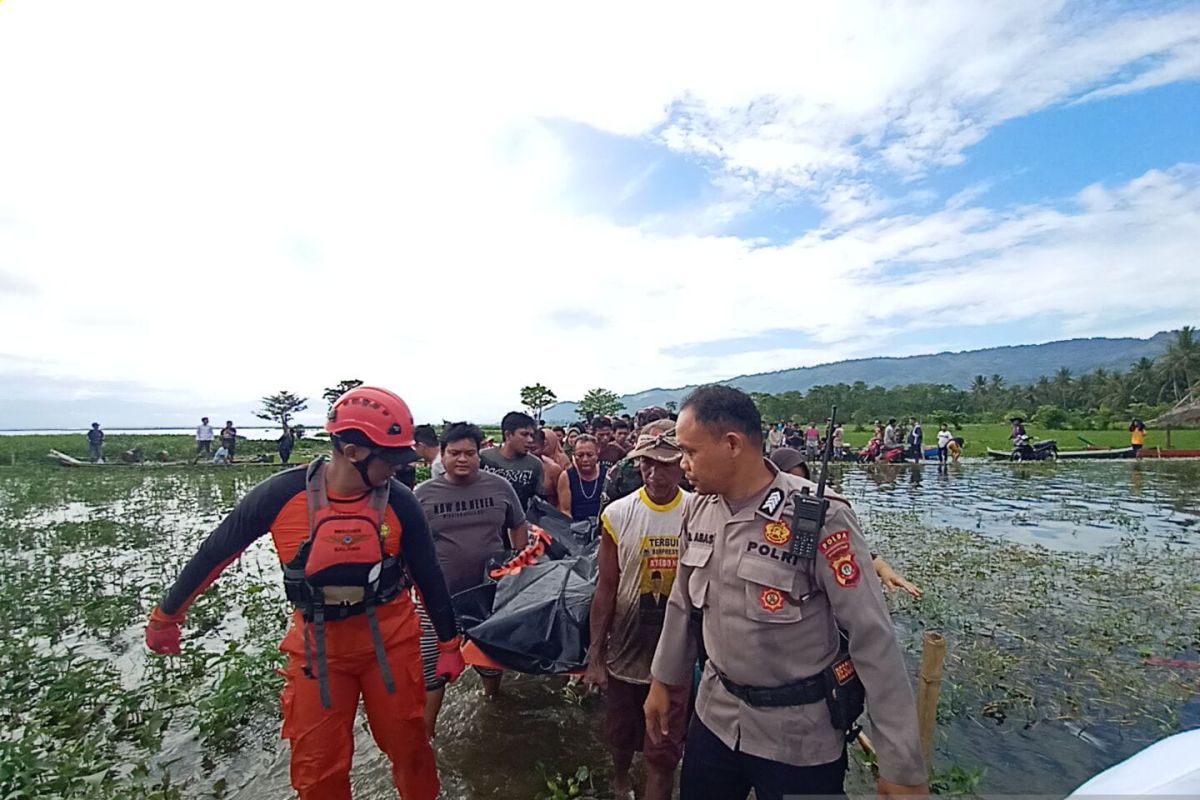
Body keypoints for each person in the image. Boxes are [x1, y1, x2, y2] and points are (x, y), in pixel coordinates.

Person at [144, 386, 464, 800]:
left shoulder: (400, 501)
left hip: (391, 642)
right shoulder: (280, 495)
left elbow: (428, 574)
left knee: (410, 748)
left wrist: (448, 642)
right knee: (318, 768)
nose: (401, 469)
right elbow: (215, 554)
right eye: (390, 459)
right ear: (352, 451)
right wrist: (167, 616)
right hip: (318, 650)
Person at [645, 385, 927, 800]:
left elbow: (873, 638)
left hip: (799, 738)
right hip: (716, 717)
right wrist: (662, 681)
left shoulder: (818, 517)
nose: (682, 465)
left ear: (732, 444)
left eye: (690, 451)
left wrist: (900, 765)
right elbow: (682, 605)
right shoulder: (698, 509)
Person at [586, 429, 691, 800]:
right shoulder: (618, 514)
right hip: (626, 648)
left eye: (664, 464)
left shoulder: (696, 512)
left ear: (681, 466)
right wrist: (595, 656)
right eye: (647, 464)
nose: (654, 474)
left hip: (675, 651)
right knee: (619, 734)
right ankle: (620, 779)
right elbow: (606, 588)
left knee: (663, 750)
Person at [414, 421, 528, 731]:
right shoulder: (423, 494)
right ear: (442, 455)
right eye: (454, 453)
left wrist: (516, 559)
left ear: (480, 454)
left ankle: (492, 702)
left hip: (487, 594)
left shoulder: (499, 487)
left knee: (489, 661)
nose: (462, 459)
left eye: (469, 453)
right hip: (437, 598)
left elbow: (518, 524)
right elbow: (406, 544)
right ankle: (428, 736)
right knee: (430, 667)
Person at [768, 448, 922, 598]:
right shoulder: (758, 515)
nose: (796, 491)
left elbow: (851, 552)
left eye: (802, 484)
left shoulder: (819, 519)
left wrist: (884, 570)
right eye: (790, 482)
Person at [480, 411, 545, 510]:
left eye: (531, 435)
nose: (530, 440)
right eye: (524, 434)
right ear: (508, 435)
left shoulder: (535, 465)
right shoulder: (484, 457)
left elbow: (538, 501)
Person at [558, 434, 603, 521]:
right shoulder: (566, 477)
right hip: (576, 527)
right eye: (580, 455)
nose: (585, 459)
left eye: (589, 455)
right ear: (574, 455)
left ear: (597, 454)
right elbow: (565, 510)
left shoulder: (607, 475)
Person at [531, 428, 565, 508]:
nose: (530, 453)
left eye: (534, 449)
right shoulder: (517, 466)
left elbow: (562, 501)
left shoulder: (553, 469)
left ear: (543, 445)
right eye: (527, 450)